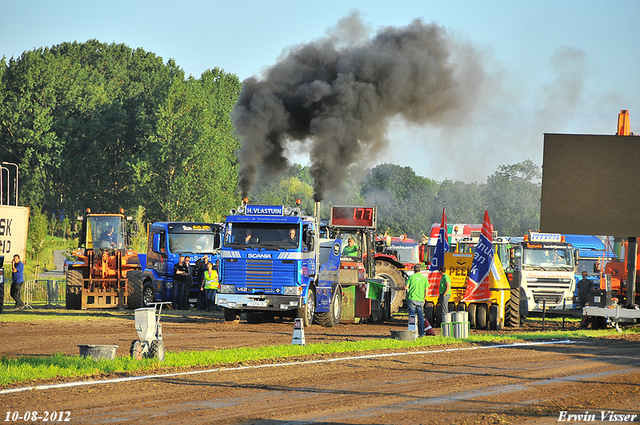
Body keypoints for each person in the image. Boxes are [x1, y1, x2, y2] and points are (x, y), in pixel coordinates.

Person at [397, 264, 429, 337]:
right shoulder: (424, 278)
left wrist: (398, 288)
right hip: (420, 299)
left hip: (412, 299)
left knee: (412, 316)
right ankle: (422, 333)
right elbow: (427, 289)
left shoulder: (411, 277)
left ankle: (412, 332)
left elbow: (405, 287)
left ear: (414, 270)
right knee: (420, 317)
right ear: (420, 270)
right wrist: (424, 298)